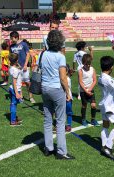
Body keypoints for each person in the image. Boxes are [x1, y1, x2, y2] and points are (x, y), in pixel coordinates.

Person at [39, 30, 74, 160]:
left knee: (47, 119)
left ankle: (48, 148)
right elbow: (63, 77)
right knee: (60, 121)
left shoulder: (43, 54)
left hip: (45, 88)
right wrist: (68, 92)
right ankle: (61, 151)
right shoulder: (60, 56)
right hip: (56, 89)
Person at [98, 56, 114, 160]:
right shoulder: (108, 79)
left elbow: (111, 84)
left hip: (103, 104)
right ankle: (108, 147)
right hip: (110, 106)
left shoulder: (101, 76)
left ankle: (104, 145)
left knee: (105, 125)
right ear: (111, 67)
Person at [10, 31, 36, 104]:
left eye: (11, 38)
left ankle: (31, 97)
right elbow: (11, 57)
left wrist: (25, 65)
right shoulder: (11, 46)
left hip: (24, 67)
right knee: (18, 83)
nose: (10, 40)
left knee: (28, 82)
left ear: (16, 37)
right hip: (16, 68)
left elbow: (28, 54)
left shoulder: (23, 44)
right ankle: (21, 97)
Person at [79, 54, 100, 127]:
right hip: (83, 91)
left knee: (93, 105)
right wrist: (85, 90)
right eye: (86, 64)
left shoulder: (92, 69)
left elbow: (94, 80)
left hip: (91, 90)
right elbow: (80, 82)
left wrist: (90, 89)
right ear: (83, 63)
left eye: (89, 64)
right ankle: (83, 119)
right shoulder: (81, 71)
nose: (88, 66)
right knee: (84, 105)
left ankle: (93, 119)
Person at [8, 53, 23, 126]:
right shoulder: (16, 70)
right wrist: (17, 92)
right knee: (14, 104)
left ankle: (13, 117)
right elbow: (14, 82)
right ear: (17, 60)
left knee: (13, 103)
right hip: (15, 89)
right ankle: (13, 121)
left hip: (11, 88)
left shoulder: (11, 67)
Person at [65, 64, 73, 132]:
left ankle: (69, 124)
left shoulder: (67, 79)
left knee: (69, 112)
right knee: (61, 112)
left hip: (68, 98)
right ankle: (62, 124)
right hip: (62, 98)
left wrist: (68, 96)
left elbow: (68, 88)